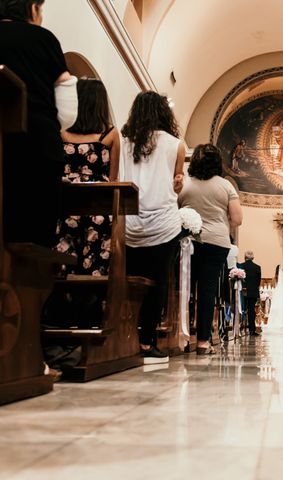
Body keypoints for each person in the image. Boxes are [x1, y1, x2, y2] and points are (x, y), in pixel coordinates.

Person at [0, 0, 77, 247]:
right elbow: (66, 113)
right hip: (33, 163)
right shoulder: (43, 39)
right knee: (31, 242)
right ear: (33, 8)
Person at [120, 91, 185, 363]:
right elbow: (177, 183)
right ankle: (147, 342)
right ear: (164, 113)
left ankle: (122, 334)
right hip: (163, 224)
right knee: (158, 282)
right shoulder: (176, 144)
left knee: (127, 281)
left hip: (129, 221)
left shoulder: (124, 143)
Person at [179, 144, 243, 354]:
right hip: (216, 243)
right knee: (207, 292)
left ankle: (182, 338)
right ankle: (204, 342)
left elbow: (176, 211)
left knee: (185, 289)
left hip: (189, 242)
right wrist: (220, 224)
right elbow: (237, 219)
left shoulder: (186, 185)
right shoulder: (226, 186)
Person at [56, 78, 120, 276]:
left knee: (63, 261)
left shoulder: (62, 133)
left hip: (67, 201)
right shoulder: (110, 135)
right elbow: (113, 180)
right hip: (97, 205)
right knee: (94, 266)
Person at [264, 264, 283, 334]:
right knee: (282, 305)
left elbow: (273, 286)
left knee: (276, 306)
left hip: (276, 292)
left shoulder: (273, 278)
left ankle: (274, 321)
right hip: (282, 292)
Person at [242, 251, 262, 336]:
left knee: (241, 309)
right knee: (251, 311)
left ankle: (240, 328)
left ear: (244, 257)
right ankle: (252, 330)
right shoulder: (257, 267)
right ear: (253, 258)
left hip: (243, 291)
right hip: (253, 292)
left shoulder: (241, 266)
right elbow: (258, 281)